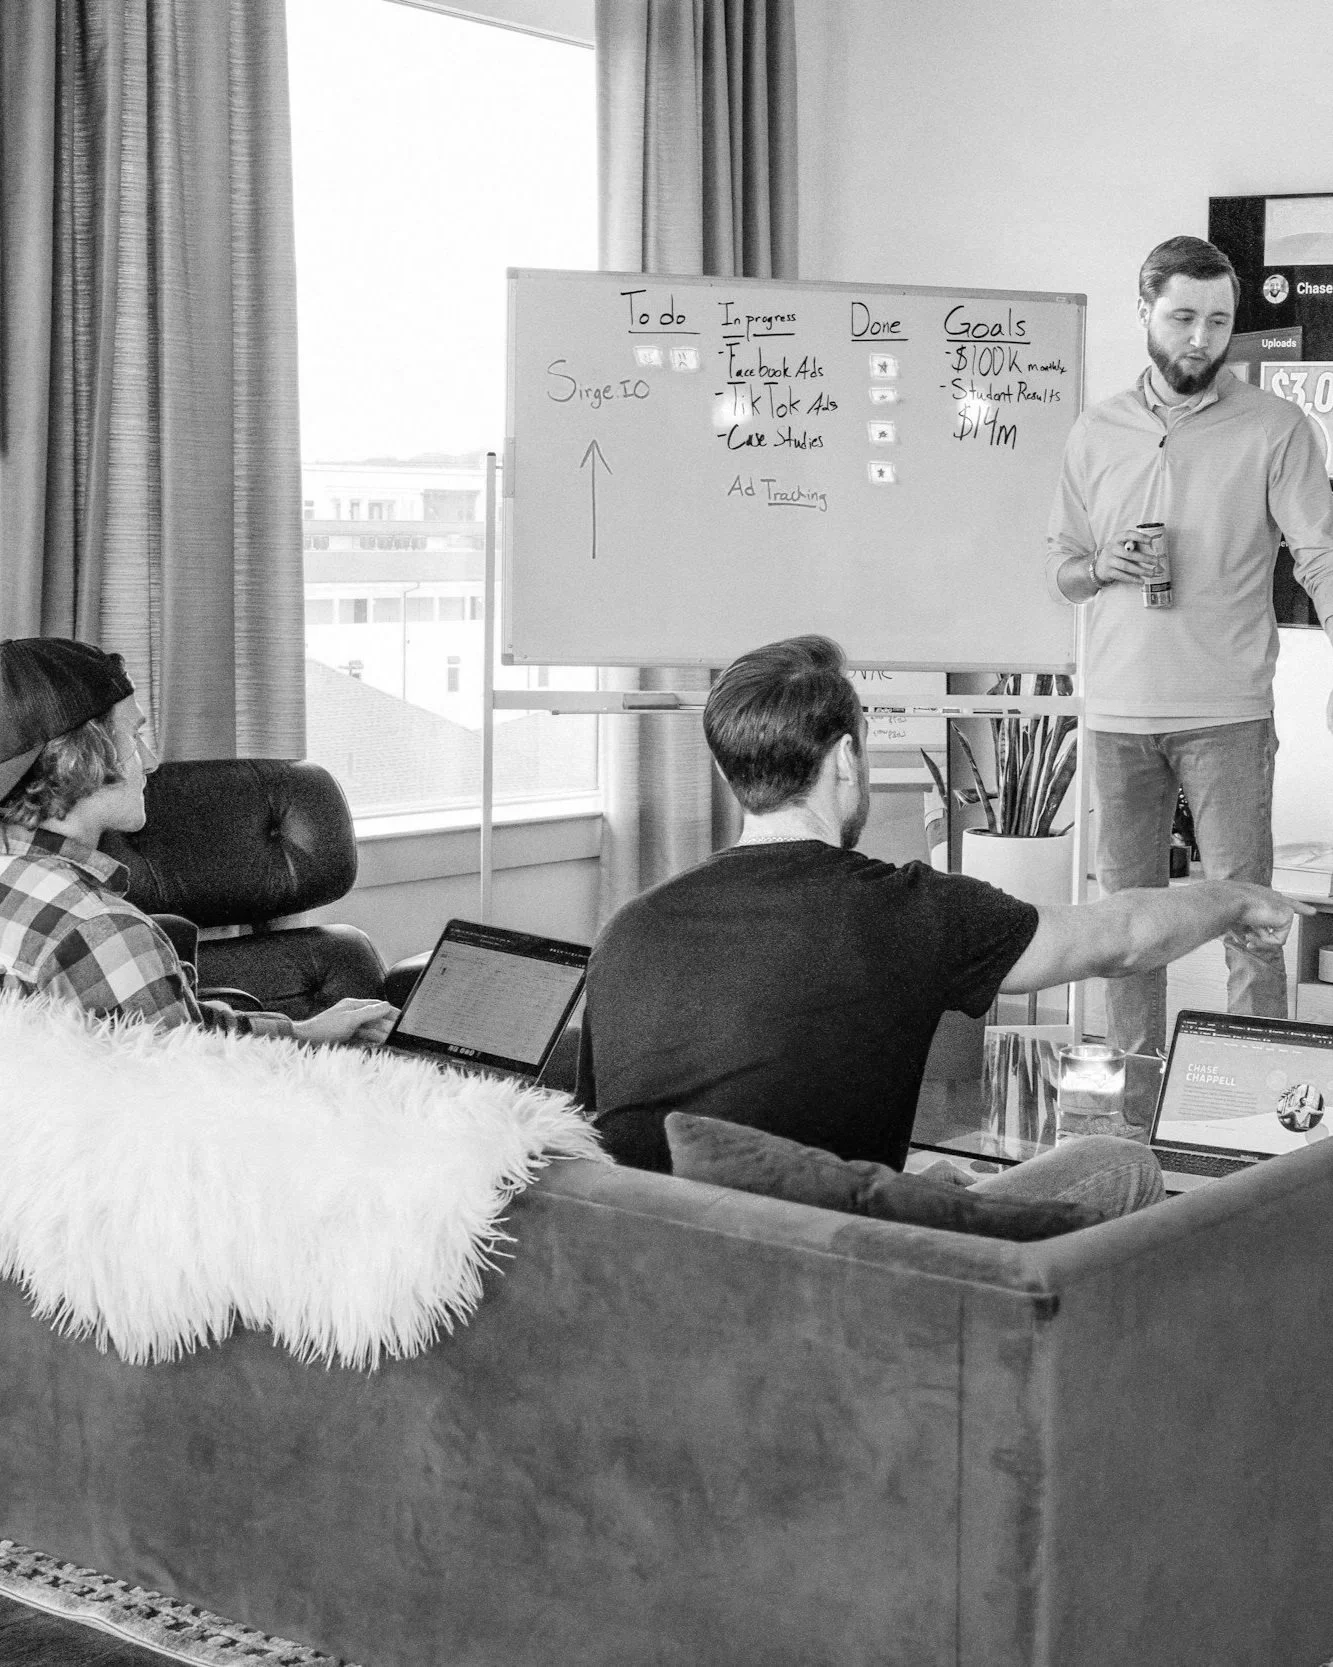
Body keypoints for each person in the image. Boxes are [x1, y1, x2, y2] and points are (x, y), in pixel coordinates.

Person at [577, 635, 1306, 1215]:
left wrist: (904, 1186)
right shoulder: (908, 911)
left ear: (728, 769)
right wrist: (1236, 897)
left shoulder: (627, 929)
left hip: (659, 1278)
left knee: (939, 1171)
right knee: (1122, 1164)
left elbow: (605, 1140)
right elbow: (1120, 939)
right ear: (846, 760)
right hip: (845, 1272)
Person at [1046, 234, 1333, 1056]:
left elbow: (1319, 554)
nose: (1201, 338)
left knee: (1249, 922)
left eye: (1217, 321)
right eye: (1182, 318)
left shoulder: (1275, 427)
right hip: (1116, 715)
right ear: (1144, 311)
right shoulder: (1094, 430)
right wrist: (1099, 565)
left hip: (1226, 714)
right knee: (1125, 931)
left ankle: (1250, 1111)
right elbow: (1061, 571)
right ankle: (1131, 1108)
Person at [0, 636, 395, 1046]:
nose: (150, 761)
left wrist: (301, 1033)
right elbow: (195, 1078)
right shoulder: (103, 931)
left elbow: (180, 1034)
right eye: (133, 737)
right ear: (79, 757)